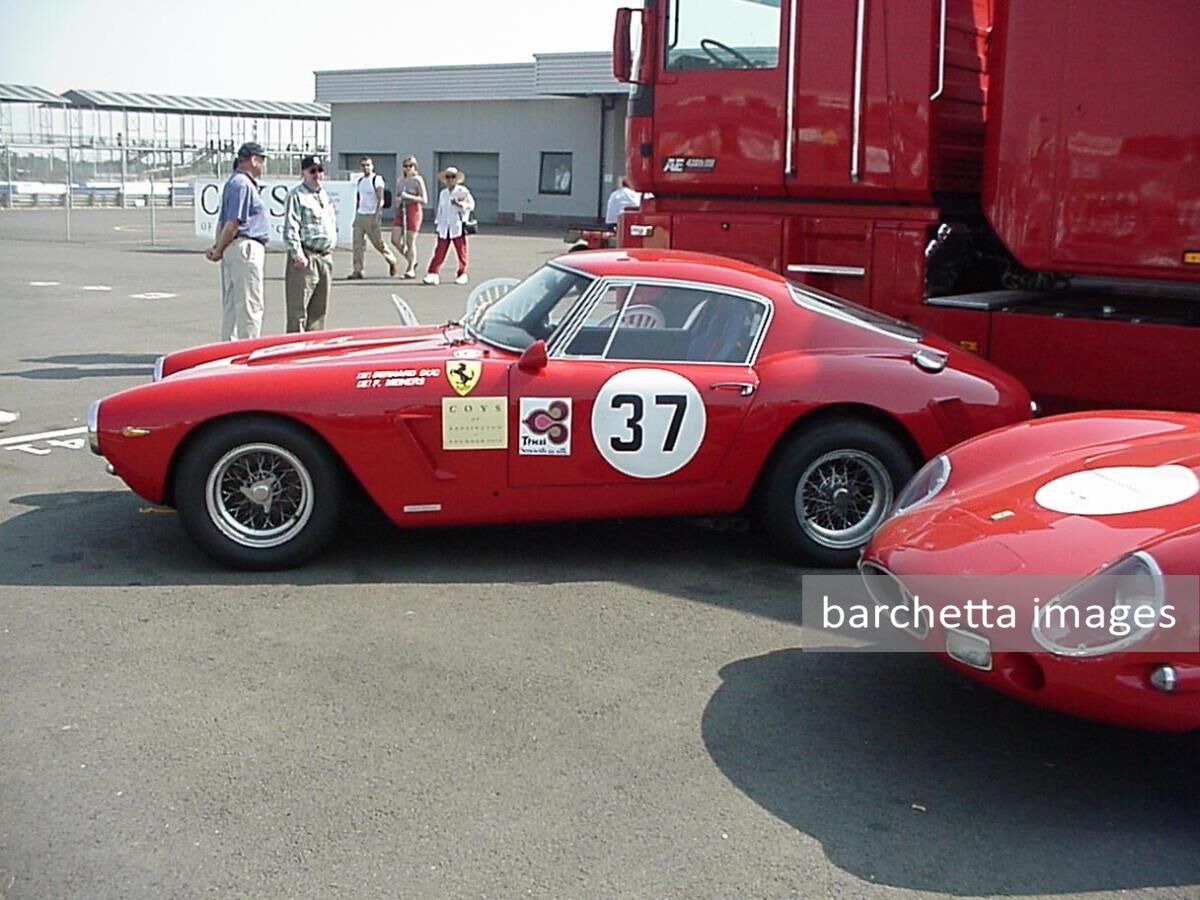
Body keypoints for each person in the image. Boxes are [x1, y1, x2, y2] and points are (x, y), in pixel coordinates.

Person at [205, 141, 270, 341]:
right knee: (250, 305)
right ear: (253, 160)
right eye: (262, 160)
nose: (264, 165)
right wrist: (218, 249)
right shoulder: (242, 184)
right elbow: (233, 223)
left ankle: (229, 351)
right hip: (245, 248)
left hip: (236, 248)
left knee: (233, 305)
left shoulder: (236, 182)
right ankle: (247, 351)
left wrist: (219, 247)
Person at [282, 154, 338, 333]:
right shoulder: (297, 195)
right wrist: (297, 253)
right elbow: (291, 226)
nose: (317, 174)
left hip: (325, 257)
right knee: (298, 312)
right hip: (307, 257)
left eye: (320, 170)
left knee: (319, 311)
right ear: (303, 173)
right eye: (312, 171)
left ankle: (314, 349)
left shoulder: (323, 195)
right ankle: (293, 350)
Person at [422, 166, 475, 286]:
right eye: (448, 177)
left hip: (457, 225)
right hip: (444, 226)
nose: (450, 179)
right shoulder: (443, 193)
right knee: (439, 251)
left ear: (457, 179)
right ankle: (433, 273)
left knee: (461, 251)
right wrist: (438, 224)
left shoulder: (463, 191)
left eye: (453, 177)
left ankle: (462, 273)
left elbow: (471, 205)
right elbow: (440, 210)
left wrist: (460, 204)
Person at [349, 156, 398, 279]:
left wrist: (377, 215)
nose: (366, 167)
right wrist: (356, 213)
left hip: (372, 215)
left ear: (372, 166)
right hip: (361, 215)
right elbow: (359, 199)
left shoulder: (376, 179)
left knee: (378, 243)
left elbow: (380, 199)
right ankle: (358, 270)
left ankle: (391, 260)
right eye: (363, 165)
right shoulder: (360, 181)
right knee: (357, 244)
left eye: (368, 165)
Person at [390, 156, 428, 279]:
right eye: (405, 166)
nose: (408, 168)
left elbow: (424, 199)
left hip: (413, 210)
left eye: (410, 166)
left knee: (410, 241)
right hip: (401, 209)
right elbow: (397, 195)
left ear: (415, 167)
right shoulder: (400, 180)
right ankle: (411, 259)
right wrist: (398, 201)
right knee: (395, 239)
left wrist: (409, 197)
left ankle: (410, 267)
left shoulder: (418, 180)